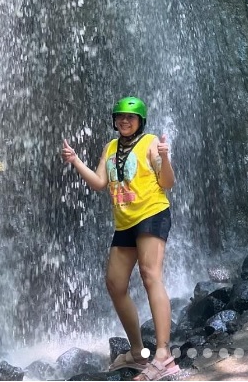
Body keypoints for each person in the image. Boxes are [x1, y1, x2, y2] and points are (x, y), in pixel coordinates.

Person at [61, 96, 179, 381]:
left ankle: (163, 356)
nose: (124, 121)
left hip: (152, 213)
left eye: (131, 117)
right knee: (115, 284)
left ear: (140, 121)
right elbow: (101, 183)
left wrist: (164, 158)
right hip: (125, 222)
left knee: (150, 275)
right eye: (120, 117)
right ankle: (139, 352)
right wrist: (76, 160)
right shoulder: (110, 147)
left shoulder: (150, 142)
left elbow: (167, 183)